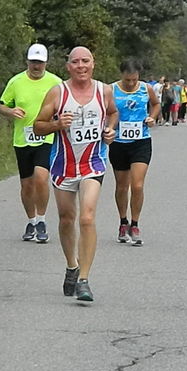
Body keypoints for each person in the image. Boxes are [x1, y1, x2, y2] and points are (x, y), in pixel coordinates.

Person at [34, 46, 118, 302]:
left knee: (87, 218)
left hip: (93, 163)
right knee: (67, 218)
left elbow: (113, 113)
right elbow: (38, 126)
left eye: (86, 61)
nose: (81, 66)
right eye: (76, 62)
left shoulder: (104, 91)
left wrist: (110, 130)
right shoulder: (58, 92)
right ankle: (71, 265)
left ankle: (84, 279)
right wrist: (57, 125)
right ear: (68, 66)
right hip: (63, 165)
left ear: (93, 64)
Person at [0, 43, 62, 243]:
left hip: (46, 136)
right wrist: (11, 111)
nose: (37, 66)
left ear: (46, 63)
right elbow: (1, 105)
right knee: (27, 185)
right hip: (23, 139)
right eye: (33, 62)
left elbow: (66, 104)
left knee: (41, 178)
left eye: (40, 62)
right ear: (27, 61)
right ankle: (31, 221)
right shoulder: (16, 82)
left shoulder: (56, 82)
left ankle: (42, 220)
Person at [109, 60, 160, 246]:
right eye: (127, 79)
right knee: (122, 186)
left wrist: (152, 117)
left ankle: (135, 224)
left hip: (141, 142)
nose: (131, 83)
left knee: (137, 185)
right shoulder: (111, 90)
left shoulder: (146, 89)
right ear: (121, 74)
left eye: (134, 79)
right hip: (118, 142)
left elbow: (156, 105)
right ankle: (123, 222)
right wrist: (108, 128)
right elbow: (106, 111)